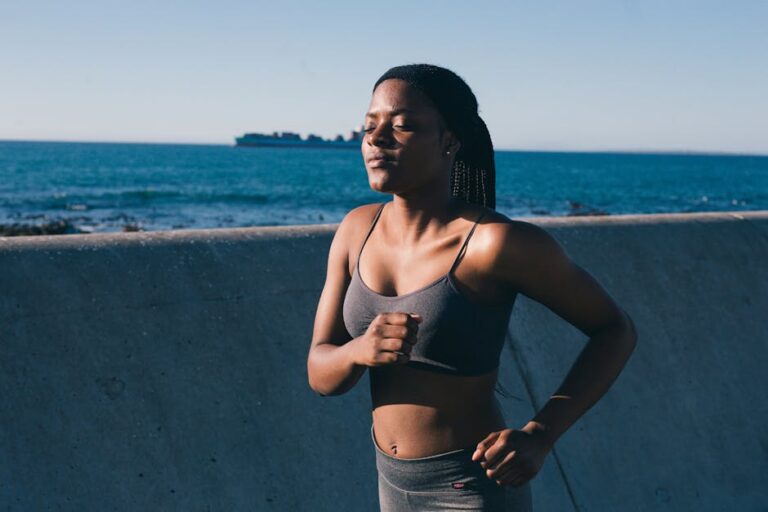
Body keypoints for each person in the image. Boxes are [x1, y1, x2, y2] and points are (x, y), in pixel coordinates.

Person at [306, 63, 637, 511]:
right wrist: (359, 350)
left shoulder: (495, 244)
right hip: (390, 483)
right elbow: (321, 374)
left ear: (449, 141)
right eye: (369, 126)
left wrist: (541, 434)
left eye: (402, 125)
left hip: (471, 487)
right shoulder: (355, 230)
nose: (376, 139)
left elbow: (615, 329)